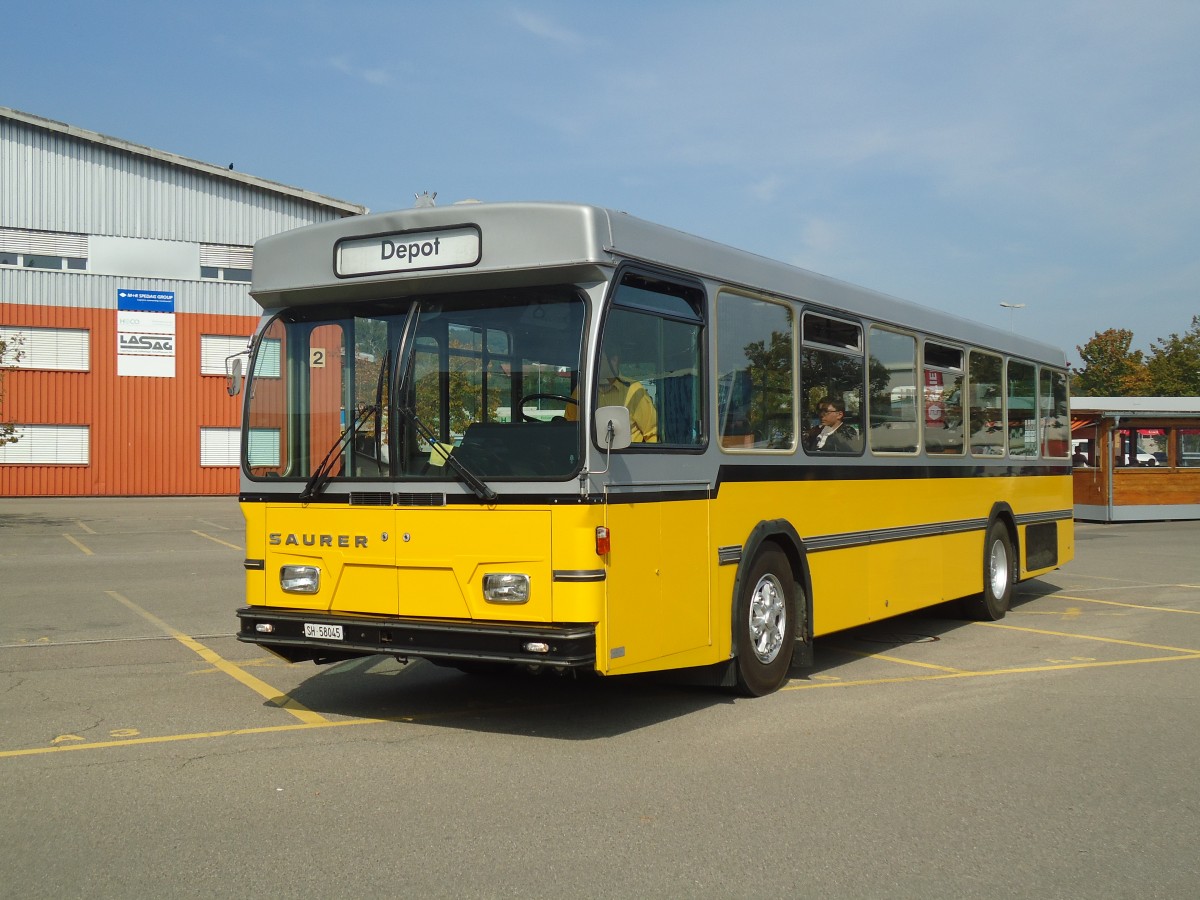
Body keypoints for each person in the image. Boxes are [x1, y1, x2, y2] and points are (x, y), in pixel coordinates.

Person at [565, 345, 658, 443]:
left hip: (628, 452)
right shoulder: (581, 390)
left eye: (598, 359)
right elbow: (569, 428)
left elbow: (652, 434)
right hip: (586, 451)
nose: (592, 364)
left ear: (614, 360)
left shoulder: (634, 390)